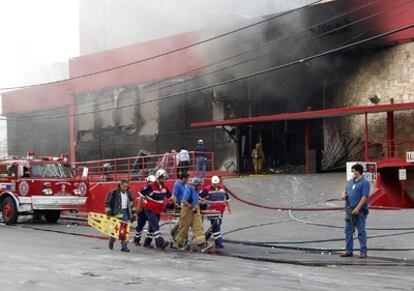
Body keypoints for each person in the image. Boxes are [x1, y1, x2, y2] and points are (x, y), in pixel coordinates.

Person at [340, 164, 370, 259]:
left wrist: (358, 208)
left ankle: (363, 252)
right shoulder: (349, 182)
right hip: (349, 210)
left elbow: (364, 197)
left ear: (359, 171)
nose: (353, 172)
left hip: (360, 211)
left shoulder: (365, 183)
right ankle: (349, 251)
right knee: (348, 231)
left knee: (361, 231)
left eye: (354, 171)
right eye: (352, 171)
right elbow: (345, 191)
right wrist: (343, 195)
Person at [175, 177, 211, 252]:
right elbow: (184, 201)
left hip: (195, 209)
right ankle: (179, 244)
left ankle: (202, 244)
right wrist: (191, 207)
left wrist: (201, 201)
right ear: (195, 185)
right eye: (200, 185)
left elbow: (196, 198)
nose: (201, 187)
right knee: (184, 228)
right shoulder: (188, 191)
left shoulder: (196, 191)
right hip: (187, 210)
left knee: (198, 226)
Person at [140, 169, 172, 250]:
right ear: (159, 177)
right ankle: (160, 242)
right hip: (149, 209)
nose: (165, 179)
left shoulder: (164, 187)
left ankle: (147, 242)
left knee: (151, 227)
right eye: (163, 178)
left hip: (158, 209)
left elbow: (170, 197)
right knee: (155, 225)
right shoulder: (150, 186)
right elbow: (141, 194)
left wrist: (176, 204)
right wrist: (141, 206)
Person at [105, 178, 136, 252]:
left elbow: (131, 204)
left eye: (127, 187)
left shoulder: (129, 193)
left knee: (124, 231)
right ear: (120, 185)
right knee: (116, 230)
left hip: (126, 213)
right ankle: (112, 241)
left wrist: (134, 213)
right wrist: (108, 213)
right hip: (116, 213)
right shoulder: (114, 192)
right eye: (124, 186)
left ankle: (124, 246)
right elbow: (108, 203)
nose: (125, 188)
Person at [200, 175, 231, 249]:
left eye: (216, 184)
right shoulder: (207, 189)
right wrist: (204, 204)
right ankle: (218, 242)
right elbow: (200, 197)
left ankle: (205, 237)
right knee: (216, 226)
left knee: (216, 224)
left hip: (220, 211)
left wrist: (229, 207)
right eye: (214, 184)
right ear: (211, 183)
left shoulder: (222, 189)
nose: (215, 185)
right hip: (211, 211)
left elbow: (227, 199)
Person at [133, 175, 156, 246]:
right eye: (149, 182)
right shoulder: (145, 189)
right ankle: (138, 240)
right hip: (144, 210)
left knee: (150, 226)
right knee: (141, 226)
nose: (150, 183)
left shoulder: (154, 189)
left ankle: (146, 242)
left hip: (149, 210)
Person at [170, 173, 190, 240]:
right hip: (180, 205)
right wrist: (175, 204)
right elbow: (174, 196)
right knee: (185, 220)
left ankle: (176, 232)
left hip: (185, 205)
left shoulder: (186, 185)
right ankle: (181, 235)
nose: (188, 180)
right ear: (184, 178)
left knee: (185, 220)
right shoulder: (177, 185)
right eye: (187, 179)